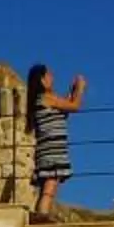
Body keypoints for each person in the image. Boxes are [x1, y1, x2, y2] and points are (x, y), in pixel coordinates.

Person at [27, 63, 85, 218]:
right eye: (49, 75)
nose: (52, 78)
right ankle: (42, 215)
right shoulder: (46, 98)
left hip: (50, 148)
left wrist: (72, 91)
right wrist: (80, 88)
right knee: (50, 185)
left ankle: (40, 214)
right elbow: (74, 106)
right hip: (51, 149)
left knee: (49, 183)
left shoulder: (43, 99)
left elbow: (64, 109)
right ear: (42, 79)